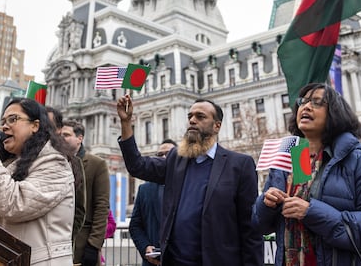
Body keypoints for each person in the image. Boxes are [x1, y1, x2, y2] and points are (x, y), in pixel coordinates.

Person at [252, 83, 361, 266]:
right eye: (302, 102)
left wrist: (311, 212)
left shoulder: (358, 161)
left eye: (317, 102)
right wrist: (266, 204)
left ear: (335, 113)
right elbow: (260, 224)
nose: (306, 106)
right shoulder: (293, 159)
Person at [117, 95, 263, 266]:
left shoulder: (239, 164)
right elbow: (137, 166)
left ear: (217, 126)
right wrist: (126, 123)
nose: (192, 120)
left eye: (200, 117)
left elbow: (250, 229)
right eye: (190, 116)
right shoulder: (175, 158)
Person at [0, 98, 75, 266]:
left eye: (13, 119)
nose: (4, 126)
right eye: (2, 122)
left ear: (35, 125)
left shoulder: (55, 163)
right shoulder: (12, 165)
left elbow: (14, 204)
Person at [61, 119, 110, 266]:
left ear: (79, 138)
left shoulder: (96, 164)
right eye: (59, 135)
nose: (61, 139)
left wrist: (94, 245)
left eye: (66, 135)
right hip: (57, 242)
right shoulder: (55, 162)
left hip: (83, 243)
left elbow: (102, 206)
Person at [129, 139, 176, 266]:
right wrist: (145, 247)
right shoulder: (144, 189)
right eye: (160, 154)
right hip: (153, 260)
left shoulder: (189, 185)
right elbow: (135, 225)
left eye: (169, 154)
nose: (164, 157)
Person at [46, 106, 86, 238]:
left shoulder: (75, 163)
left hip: (59, 240)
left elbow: (80, 209)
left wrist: (65, 237)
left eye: (67, 135)